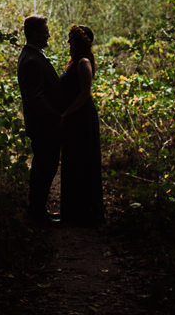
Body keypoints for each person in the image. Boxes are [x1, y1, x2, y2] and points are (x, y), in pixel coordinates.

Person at [16, 14, 62, 225]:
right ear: (33, 33)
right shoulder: (32, 60)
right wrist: (56, 118)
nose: (48, 35)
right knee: (45, 167)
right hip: (43, 125)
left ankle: (37, 210)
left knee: (45, 166)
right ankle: (36, 212)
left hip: (42, 124)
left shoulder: (32, 56)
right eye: (44, 32)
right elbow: (36, 97)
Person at [58, 24, 104, 226]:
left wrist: (65, 114)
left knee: (83, 162)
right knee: (72, 162)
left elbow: (85, 94)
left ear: (79, 42)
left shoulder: (84, 62)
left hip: (82, 119)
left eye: (71, 39)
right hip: (74, 118)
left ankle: (85, 214)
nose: (69, 42)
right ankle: (72, 212)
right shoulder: (73, 62)